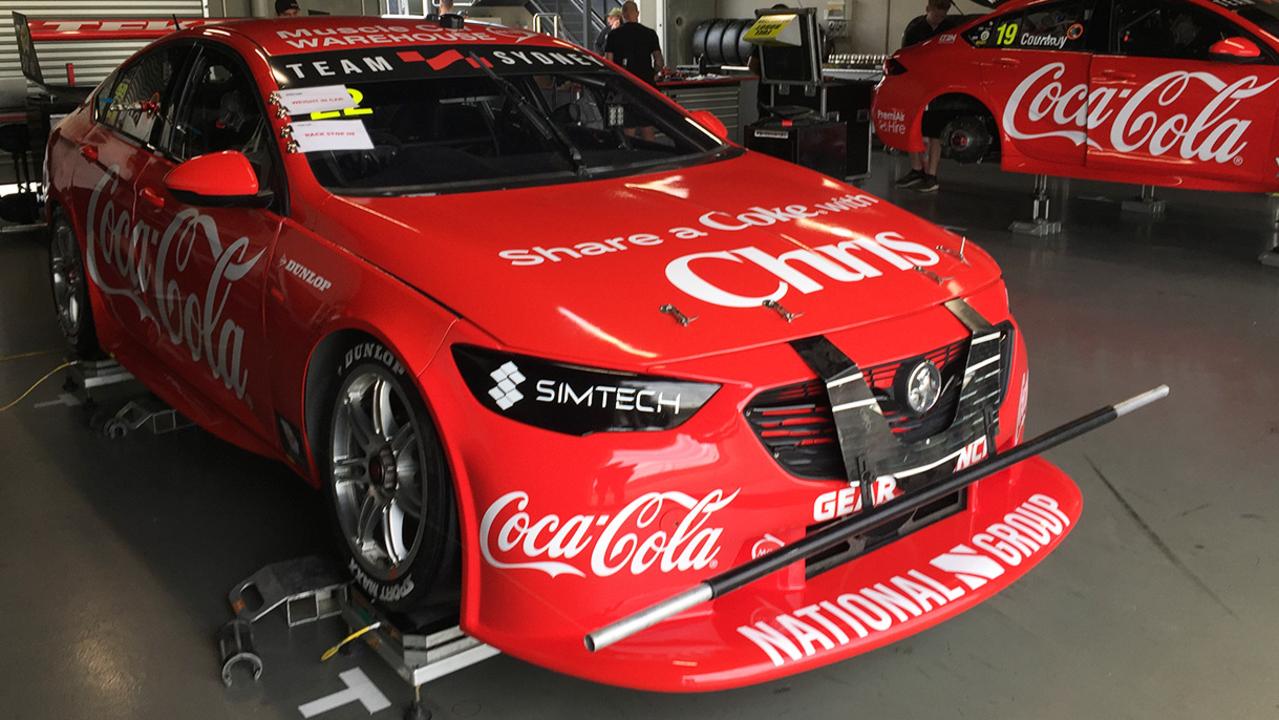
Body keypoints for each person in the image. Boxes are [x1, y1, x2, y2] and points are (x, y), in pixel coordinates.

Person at [895, 0, 959, 193]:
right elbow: (905, 56)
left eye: (943, 12)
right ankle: (916, 170)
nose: (940, 16)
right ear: (928, 9)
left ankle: (931, 176)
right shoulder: (915, 29)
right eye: (937, 12)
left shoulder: (951, 29)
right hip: (917, 86)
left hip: (940, 88)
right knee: (912, 129)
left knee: (934, 133)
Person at [605, 1, 665, 86]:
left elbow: (608, 62)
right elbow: (659, 61)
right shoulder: (650, 33)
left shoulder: (613, 35)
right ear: (637, 13)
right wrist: (653, 74)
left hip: (623, 84)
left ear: (622, 15)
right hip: (646, 83)